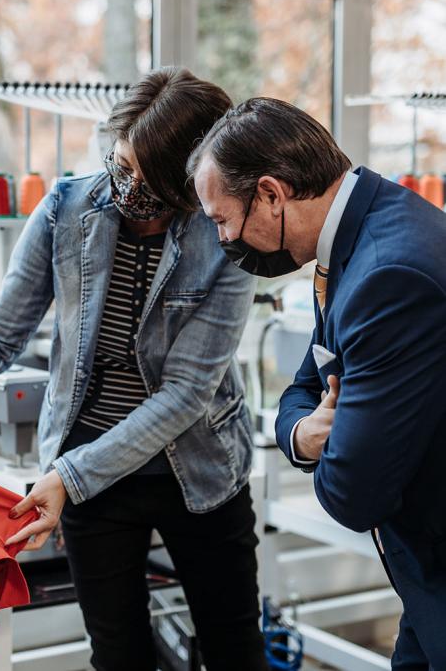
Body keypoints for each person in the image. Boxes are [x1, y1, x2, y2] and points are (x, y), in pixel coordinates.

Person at [0, 67, 268, 671]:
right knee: (118, 656)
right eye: (120, 165)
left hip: (199, 474)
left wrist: (68, 477)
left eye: (146, 177)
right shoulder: (66, 211)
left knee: (236, 653)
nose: (127, 187)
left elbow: (184, 395)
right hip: (91, 475)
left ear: (192, 178)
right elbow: (0, 334)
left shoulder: (226, 235)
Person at [190, 96, 446, 670]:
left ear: (272, 194)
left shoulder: (386, 274)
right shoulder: (348, 242)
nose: (224, 239)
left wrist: (333, 449)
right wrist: (305, 434)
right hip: (422, 575)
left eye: (222, 220)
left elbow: (355, 494)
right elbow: (302, 389)